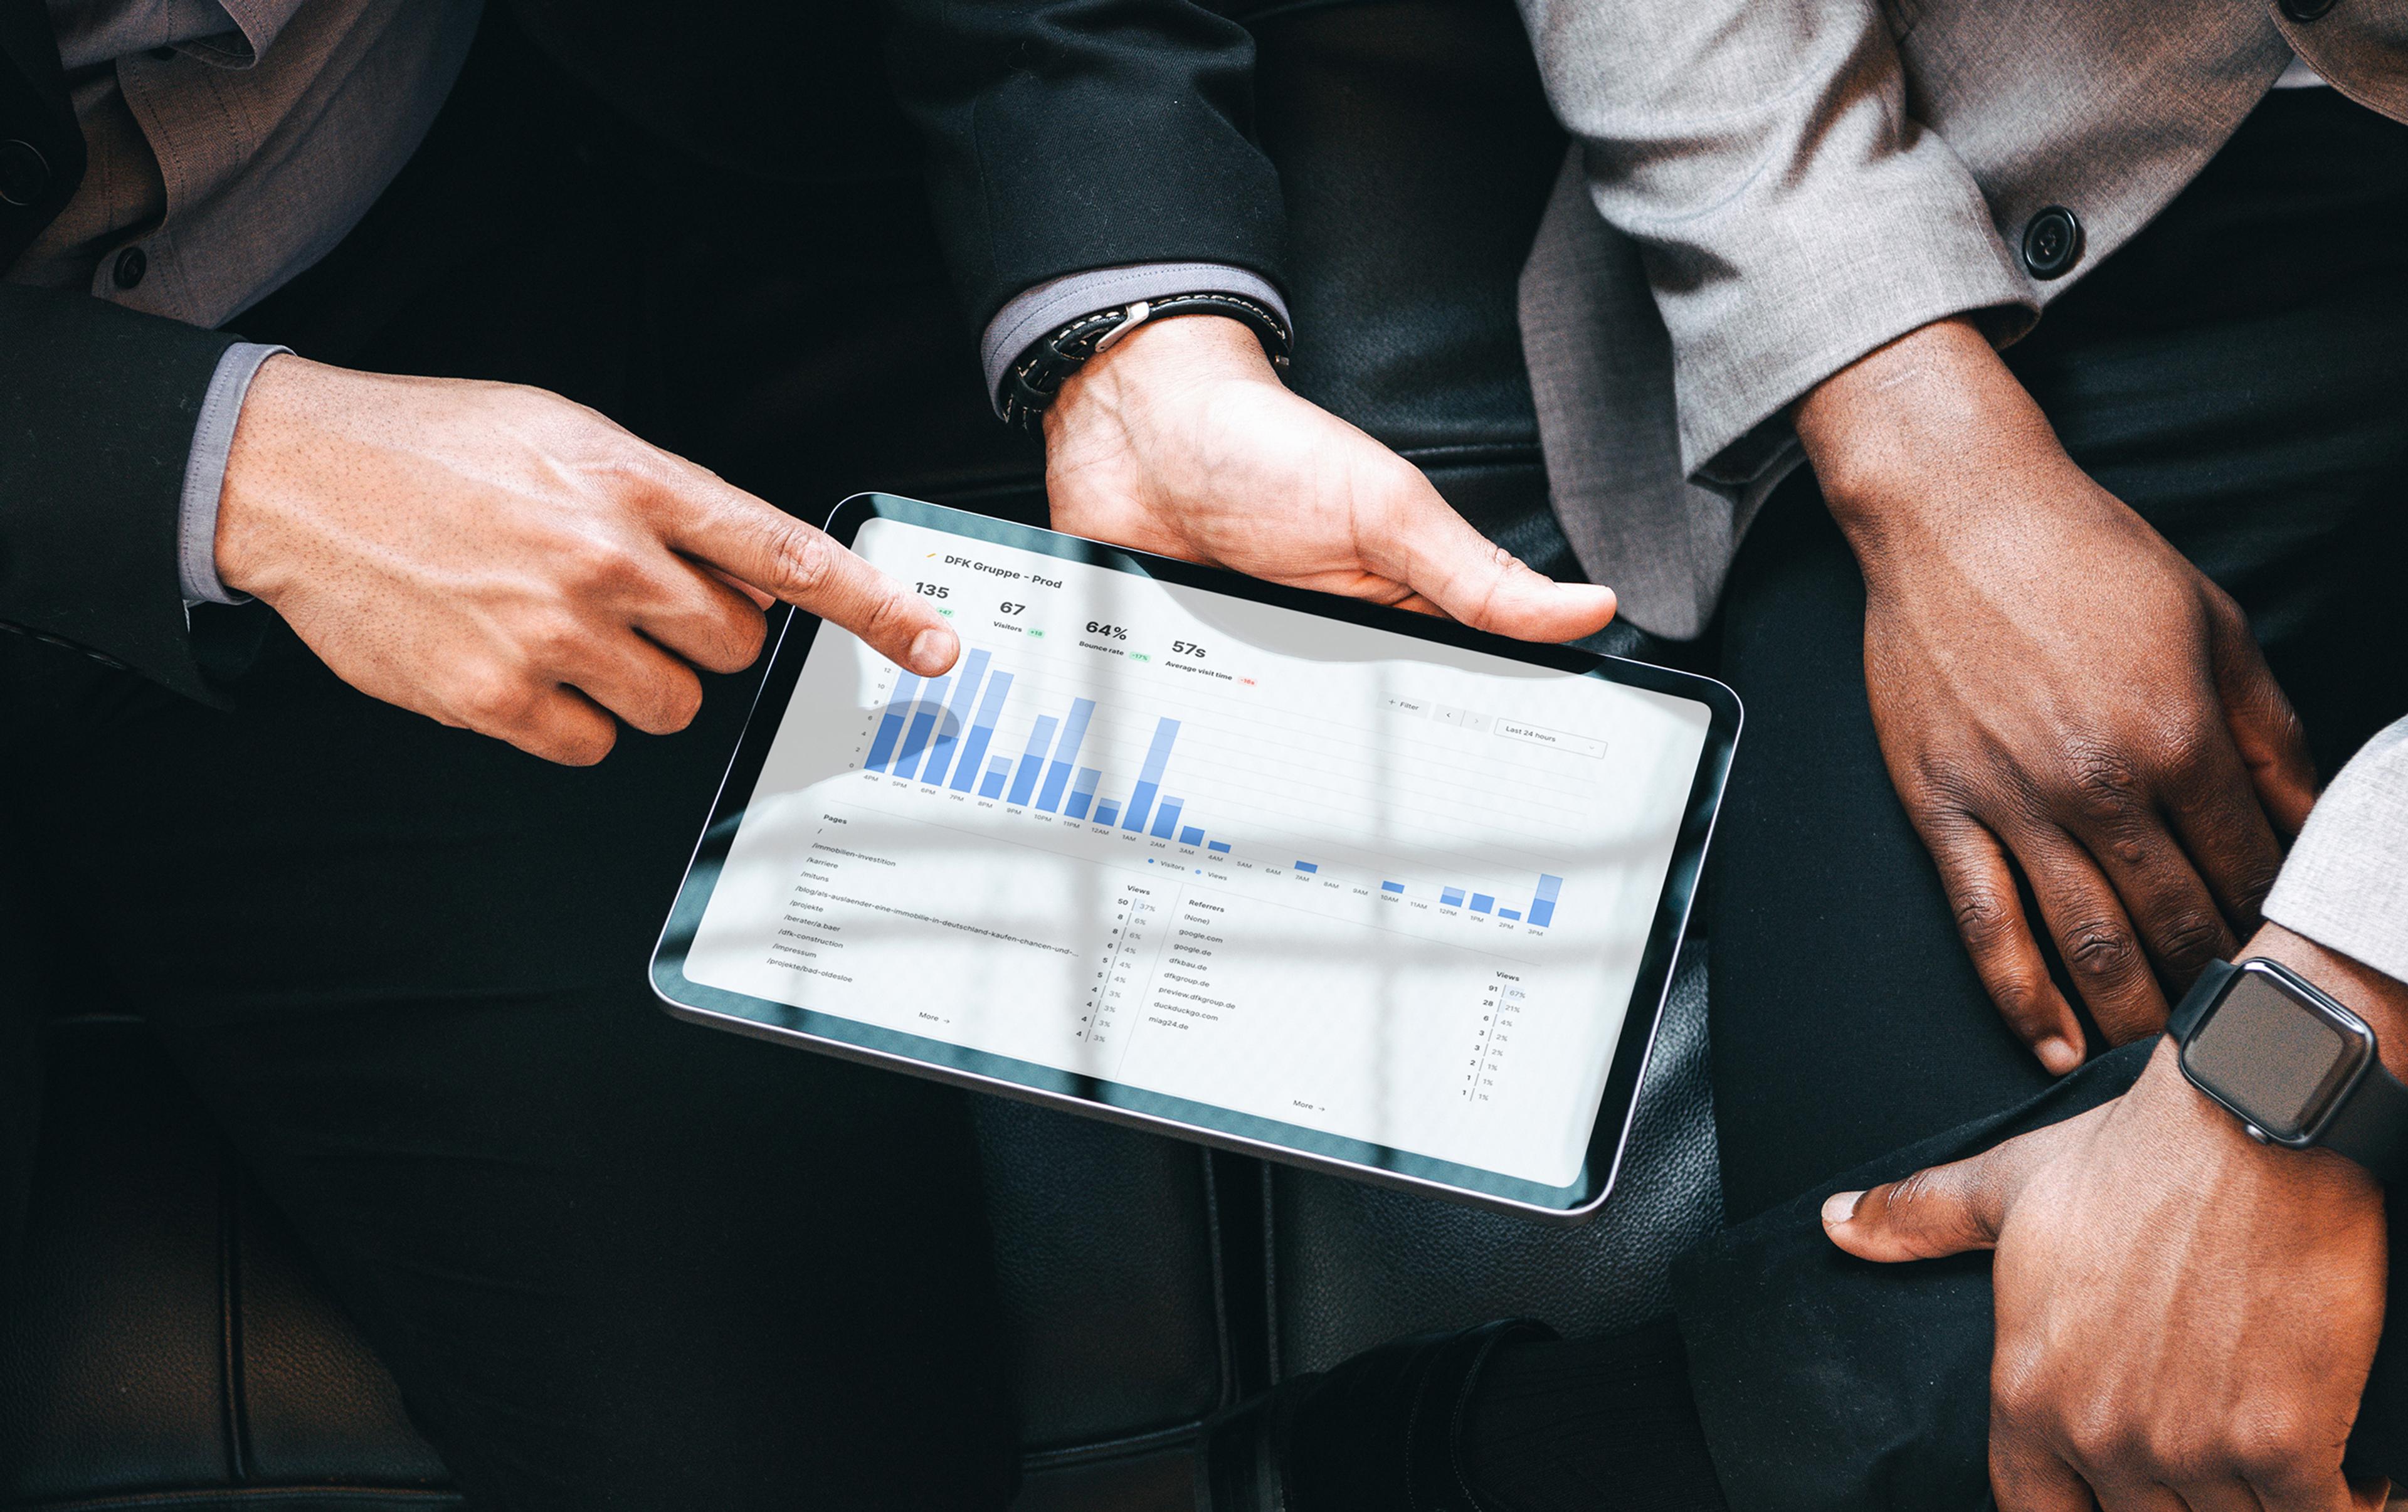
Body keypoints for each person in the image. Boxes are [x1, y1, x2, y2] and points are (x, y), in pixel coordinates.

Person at [0, 0, 1613, 1503]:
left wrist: (1141, 323)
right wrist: (223, 466)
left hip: (417, 277)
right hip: (171, 414)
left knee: (791, 1414)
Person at [1151, 4, 2408, 1512]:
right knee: (1951, 1310)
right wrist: (1920, 439)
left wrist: (2331, 1019)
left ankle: (1515, 1457)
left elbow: (2317, 1044)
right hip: (2008, 261)